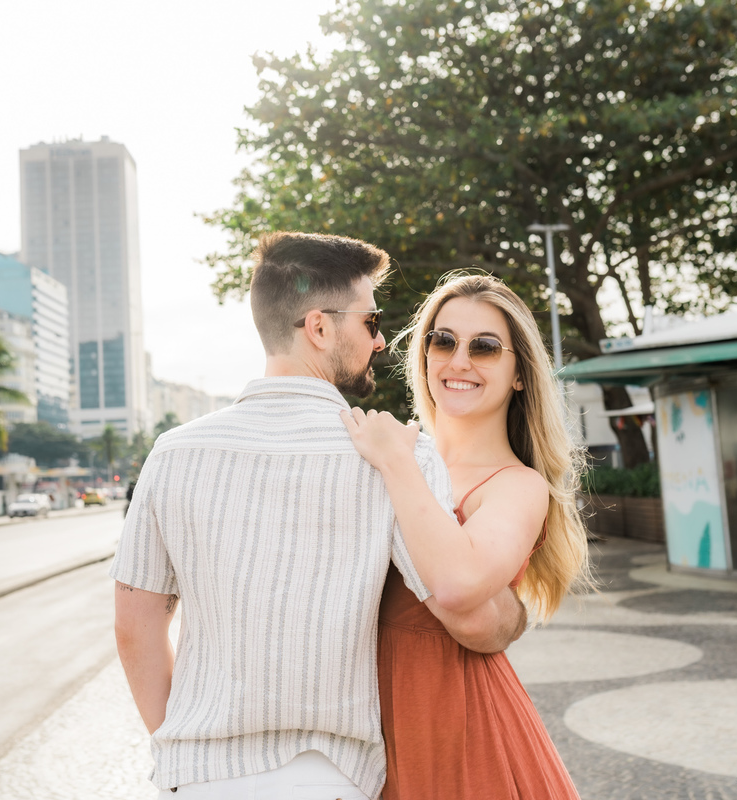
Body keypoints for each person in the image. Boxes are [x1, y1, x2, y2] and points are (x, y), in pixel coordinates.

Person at [110, 233, 527, 800]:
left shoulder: (173, 453)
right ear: (321, 328)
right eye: (371, 321)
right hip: (328, 777)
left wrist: (184, 751)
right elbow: (472, 620)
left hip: (198, 779)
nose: (380, 342)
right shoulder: (397, 456)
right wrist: (513, 613)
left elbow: (134, 629)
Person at [341, 272, 593, 800]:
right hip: (360, 729)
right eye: (443, 340)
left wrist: (394, 461)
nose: (459, 361)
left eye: (484, 347)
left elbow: (458, 586)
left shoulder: (518, 486)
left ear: (520, 374)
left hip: (458, 724)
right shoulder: (380, 458)